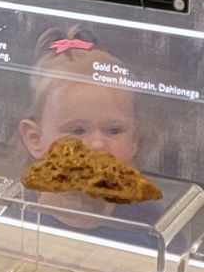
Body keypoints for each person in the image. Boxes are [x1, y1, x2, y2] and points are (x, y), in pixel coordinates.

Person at [17, 28, 160, 237]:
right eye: (78, 130)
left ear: (134, 140)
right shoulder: (14, 213)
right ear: (35, 139)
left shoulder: (153, 224)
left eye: (114, 130)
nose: (97, 144)